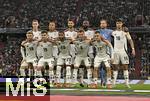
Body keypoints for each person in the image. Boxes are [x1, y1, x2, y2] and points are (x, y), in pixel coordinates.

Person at [112, 19, 135, 88]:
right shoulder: (113, 33)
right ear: (116, 24)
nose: (118, 24)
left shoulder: (125, 32)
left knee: (125, 67)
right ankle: (113, 83)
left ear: (122, 24)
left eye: (120, 23)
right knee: (115, 67)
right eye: (117, 23)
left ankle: (127, 83)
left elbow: (130, 40)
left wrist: (133, 49)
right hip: (115, 51)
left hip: (123, 51)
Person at [96, 19, 113, 87]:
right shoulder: (97, 31)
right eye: (101, 23)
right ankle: (102, 80)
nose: (102, 24)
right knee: (100, 67)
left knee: (107, 67)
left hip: (107, 50)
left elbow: (117, 33)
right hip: (99, 50)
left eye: (104, 23)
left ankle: (107, 80)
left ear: (106, 24)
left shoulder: (110, 31)